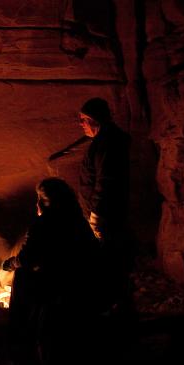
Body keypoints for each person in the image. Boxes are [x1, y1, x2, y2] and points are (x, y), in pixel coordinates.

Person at [1, 178, 112, 365]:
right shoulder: (79, 222)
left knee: (22, 277)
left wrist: (10, 263)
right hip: (85, 289)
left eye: (40, 200)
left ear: (45, 202)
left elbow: (28, 258)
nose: (37, 204)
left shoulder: (44, 224)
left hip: (60, 291)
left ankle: (21, 346)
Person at [77, 97, 134, 313]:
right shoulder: (104, 141)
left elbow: (106, 181)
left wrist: (96, 215)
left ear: (95, 119)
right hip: (104, 213)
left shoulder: (106, 145)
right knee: (110, 257)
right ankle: (115, 302)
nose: (81, 124)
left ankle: (115, 305)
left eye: (83, 119)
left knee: (109, 258)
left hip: (106, 216)